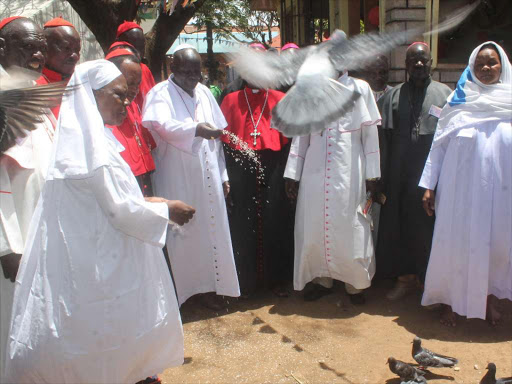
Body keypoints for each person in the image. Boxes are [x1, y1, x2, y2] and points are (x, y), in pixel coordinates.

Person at [4, 59, 195, 384]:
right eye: (118, 95)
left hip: (88, 256)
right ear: (91, 97)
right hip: (97, 264)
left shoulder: (83, 143)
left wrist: (155, 202)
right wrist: (168, 211)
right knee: (103, 338)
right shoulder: (92, 152)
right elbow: (120, 209)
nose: (127, 102)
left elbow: (109, 200)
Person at [420, 42, 512, 327]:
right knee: (454, 246)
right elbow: (438, 147)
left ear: (503, 66)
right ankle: (452, 302)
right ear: (471, 68)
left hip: (501, 194)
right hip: (459, 194)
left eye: (492, 63)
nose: (486, 68)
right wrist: (428, 186)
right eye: (480, 63)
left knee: (497, 245)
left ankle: (490, 300)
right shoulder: (457, 104)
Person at [142, 45, 240, 309]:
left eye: (197, 72)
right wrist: (195, 129)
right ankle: (182, 295)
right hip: (176, 178)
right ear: (172, 68)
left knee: (210, 234)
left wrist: (223, 175)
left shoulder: (205, 93)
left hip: (208, 178)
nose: (192, 78)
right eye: (186, 72)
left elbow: (218, 140)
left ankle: (209, 289)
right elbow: (162, 126)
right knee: (181, 236)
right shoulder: (159, 93)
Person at [283, 71, 381, 304]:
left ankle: (354, 284)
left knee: (351, 227)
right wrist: (292, 175)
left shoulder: (361, 88)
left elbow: (369, 135)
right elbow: (301, 136)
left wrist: (373, 175)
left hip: (350, 172)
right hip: (314, 174)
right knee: (316, 226)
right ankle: (321, 280)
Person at [0, 16, 53, 383]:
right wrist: (5, 247)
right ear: (2, 47)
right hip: (14, 238)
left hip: (41, 228)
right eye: (27, 45)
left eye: (41, 47)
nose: (37, 53)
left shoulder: (37, 92)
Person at [376, 42, 451, 300]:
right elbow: (382, 141)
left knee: (429, 228)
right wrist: (380, 179)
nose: (418, 65)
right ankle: (405, 279)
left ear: (432, 62)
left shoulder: (445, 95)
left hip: (431, 177)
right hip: (398, 176)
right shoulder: (392, 97)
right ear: (406, 65)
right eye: (413, 61)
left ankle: (429, 282)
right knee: (399, 226)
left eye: (423, 60)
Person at [220, 44, 293, 297]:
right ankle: (245, 282)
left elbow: (288, 143)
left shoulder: (280, 99)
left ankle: (276, 281)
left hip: (273, 169)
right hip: (241, 170)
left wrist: (287, 176)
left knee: (275, 221)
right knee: (243, 223)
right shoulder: (230, 100)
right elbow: (224, 144)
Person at [106, 49, 156, 197]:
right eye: (129, 84)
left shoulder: (133, 105)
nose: (134, 90)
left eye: (138, 84)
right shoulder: (106, 114)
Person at [35, 17, 81, 118]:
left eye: (77, 50)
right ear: (45, 48)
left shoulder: (83, 80)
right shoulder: (34, 86)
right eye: (66, 48)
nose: (75, 56)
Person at [115, 21, 155, 111]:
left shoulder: (145, 70)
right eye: (134, 46)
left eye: (142, 46)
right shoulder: (113, 71)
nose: (139, 52)